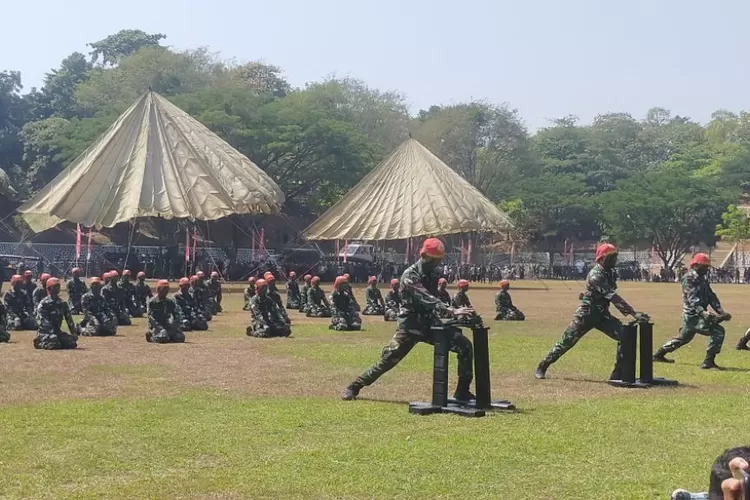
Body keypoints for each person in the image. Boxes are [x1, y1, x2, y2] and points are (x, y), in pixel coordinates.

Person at [341, 238, 475, 401]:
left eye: (439, 260)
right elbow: (424, 296)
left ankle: (462, 391)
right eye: (435, 259)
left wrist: (455, 315)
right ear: (425, 256)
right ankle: (355, 386)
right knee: (389, 360)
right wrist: (450, 309)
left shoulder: (433, 274)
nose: (437, 263)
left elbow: (435, 299)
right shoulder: (410, 275)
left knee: (465, 346)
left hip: (431, 324)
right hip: (410, 326)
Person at [534, 243, 649, 380]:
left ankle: (618, 373)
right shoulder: (596, 275)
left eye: (615, 257)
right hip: (586, 315)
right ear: (601, 259)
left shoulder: (609, 273)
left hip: (602, 315)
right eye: (611, 257)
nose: (614, 260)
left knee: (624, 336)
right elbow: (612, 296)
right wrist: (633, 313)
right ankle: (542, 366)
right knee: (566, 342)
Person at [654, 253, 731, 369]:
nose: (706, 269)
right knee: (718, 331)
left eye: (707, 267)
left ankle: (658, 355)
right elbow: (692, 299)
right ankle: (708, 362)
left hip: (696, 314)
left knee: (683, 338)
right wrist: (702, 313)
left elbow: (711, 296)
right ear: (695, 265)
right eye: (703, 266)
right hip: (692, 315)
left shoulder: (702, 278)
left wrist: (721, 312)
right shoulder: (689, 278)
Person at [34, 277, 79, 350]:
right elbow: (42, 321)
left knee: (72, 343)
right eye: (54, 287)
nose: (57, 288)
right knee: (54, 342)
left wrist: (73, 333)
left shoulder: (62, 303)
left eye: (58, 286)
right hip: (45, 332)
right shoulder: (44, 304)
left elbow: (69, 319)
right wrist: (53, 332)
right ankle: (39, 342)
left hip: (57, 332)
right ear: (49, 288)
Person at [146, 280, 186, 344]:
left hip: (167, 325)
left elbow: (177, 315)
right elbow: (150, 318)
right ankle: (151, 336)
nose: (166, 291)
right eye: (164, 289)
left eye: (167, 289)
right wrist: (160, 328)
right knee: (163, 337)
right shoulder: (152, 302)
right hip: (156, 326)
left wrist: (174, 326)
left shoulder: (170, 302)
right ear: (158, 289)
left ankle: (167, 335)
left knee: (180, 337)